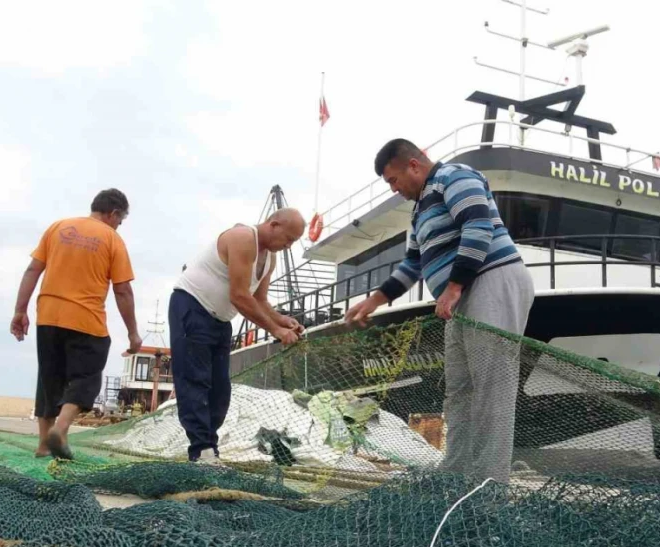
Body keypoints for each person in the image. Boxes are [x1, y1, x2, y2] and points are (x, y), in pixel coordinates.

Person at [345, 139, 534, 483]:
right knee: (460, 388)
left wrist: (454, 285)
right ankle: (457, 472)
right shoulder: (418, 211)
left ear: (414, 165)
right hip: (459, 296)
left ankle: (490, 484)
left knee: (492, 385)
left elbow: (478, 225)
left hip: (489, 279)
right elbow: (412, 264)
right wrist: (374, 301)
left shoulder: (454, 176)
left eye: (393, 180)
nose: (394, 189)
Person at [10, 188, 143, 460]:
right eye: (120, 221)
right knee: (87, 377)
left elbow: (33, 270)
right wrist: (132, 333)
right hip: (86, 319)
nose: (119, 226)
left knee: (49, 378)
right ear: (113, 213)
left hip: (48, 316)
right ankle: (60, 429)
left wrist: (19, 311)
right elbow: (122, 291)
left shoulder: (57, 228)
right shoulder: (112, 239)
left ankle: (43, 445)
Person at [170, 209, 306, 462]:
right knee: (195, 381)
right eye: (288, 239)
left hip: (220, 320)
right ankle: (201, 450)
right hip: (192, 306)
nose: (288, 247)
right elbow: (239, 296)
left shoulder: (270, 259)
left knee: (220, 390)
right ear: (273, 224)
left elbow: (260, 300)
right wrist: (275, 331)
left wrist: (282, 320)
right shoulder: (243, 238)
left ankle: (209, 447)